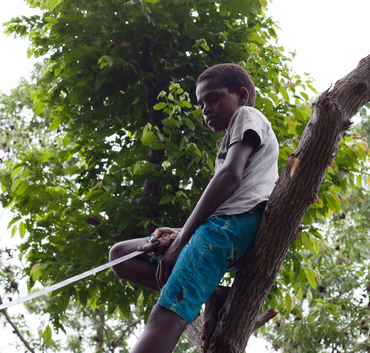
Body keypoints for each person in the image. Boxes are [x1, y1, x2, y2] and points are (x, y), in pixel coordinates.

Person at [108, 63, 279, 353]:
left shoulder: (246, 115)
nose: (206, 109)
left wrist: (183, 238)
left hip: (230, 229)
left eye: (213, 99)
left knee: (165, 316)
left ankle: (205, 290)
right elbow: (231, 194)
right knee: (121, 256)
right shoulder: (229, 139)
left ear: (241, 95)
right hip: (225, 228)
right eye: (201, 104)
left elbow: (230, 177)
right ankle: (213, 292)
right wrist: (177, 233)